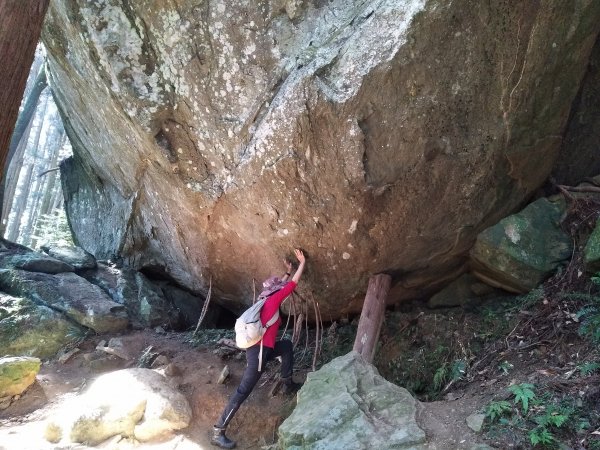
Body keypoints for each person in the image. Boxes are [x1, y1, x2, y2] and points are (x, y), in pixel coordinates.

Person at [211, 248, 307, 449]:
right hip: (259, 353)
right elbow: (291, 286)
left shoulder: (264, 299)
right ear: (274, 291)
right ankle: (218, 430)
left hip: (265, 348)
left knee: (287, 345)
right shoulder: (272, 301)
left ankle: (287, 383)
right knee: (243, 390)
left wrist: (287, 271)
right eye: (277, 286)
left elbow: (281, 284)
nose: (279, 287)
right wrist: (302, 263)